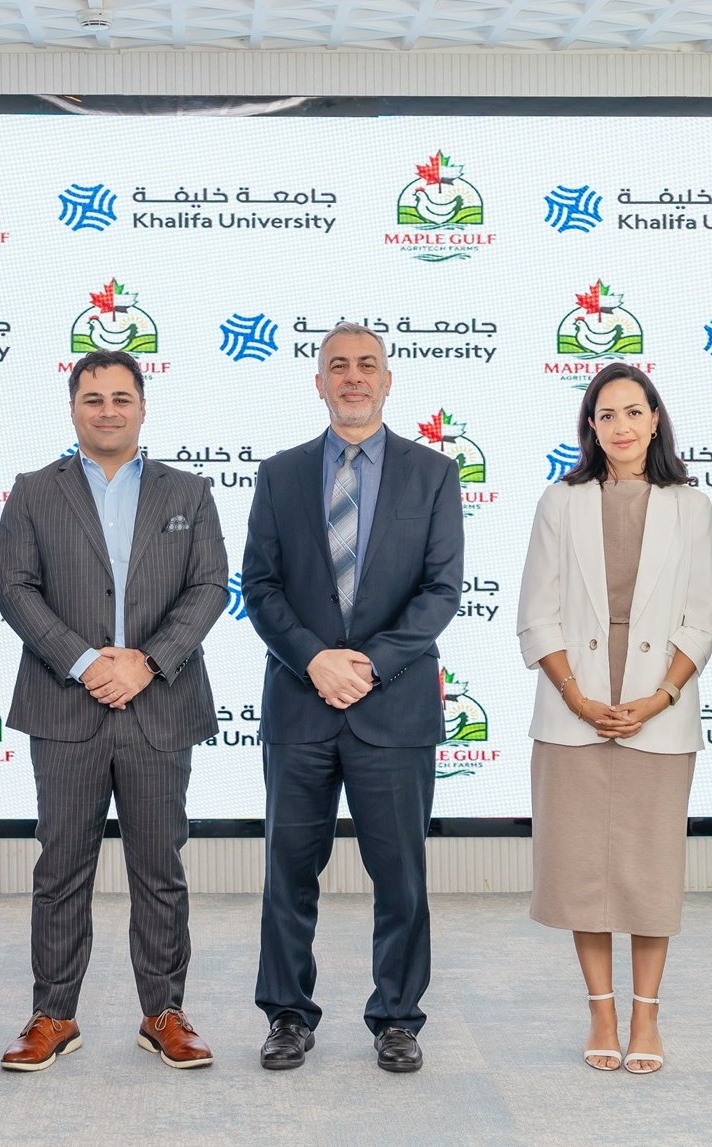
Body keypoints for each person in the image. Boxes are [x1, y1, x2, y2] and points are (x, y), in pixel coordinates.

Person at [0, 350, 227, 1072]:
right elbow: (16, 588)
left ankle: (164, 1013)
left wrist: (146, 661)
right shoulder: (34, 491)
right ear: (73, 408)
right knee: (62, 867)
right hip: (67, 704)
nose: (107, 410)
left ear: (142, 408)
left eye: (121, 398)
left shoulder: (190, 491)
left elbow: (210, 587)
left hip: (160, 705)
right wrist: (86, 661)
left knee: (159, 867)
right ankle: (53, 1014)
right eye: (93, 398)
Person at [241, 321, 463, 1074]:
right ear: (319, 382)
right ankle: (287, 1014)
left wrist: (366, 666)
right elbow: (260, 587)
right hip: (300, 705)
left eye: (367, 364)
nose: (353, 376)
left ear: (388, 378)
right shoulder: (280, 474)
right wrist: (314, 659)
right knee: (288, 874)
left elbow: (441, 591)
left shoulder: (433, 473)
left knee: (400, 878)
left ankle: (397, 1018)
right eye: (338, 365)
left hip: (393, 708)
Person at [515, 363, 712, 1075]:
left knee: (648, 875)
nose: (621, 426)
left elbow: (701, 619)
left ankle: (646, 1015)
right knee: (585, 875)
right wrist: (577, 698)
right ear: (591, 427)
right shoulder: (560, 501)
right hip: (575, 715)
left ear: (655, 420)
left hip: (658, 716)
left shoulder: (690, 505)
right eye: (607, 415)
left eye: (634, 412)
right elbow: (536, 613)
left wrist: (659, 698)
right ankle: (601, 1011)